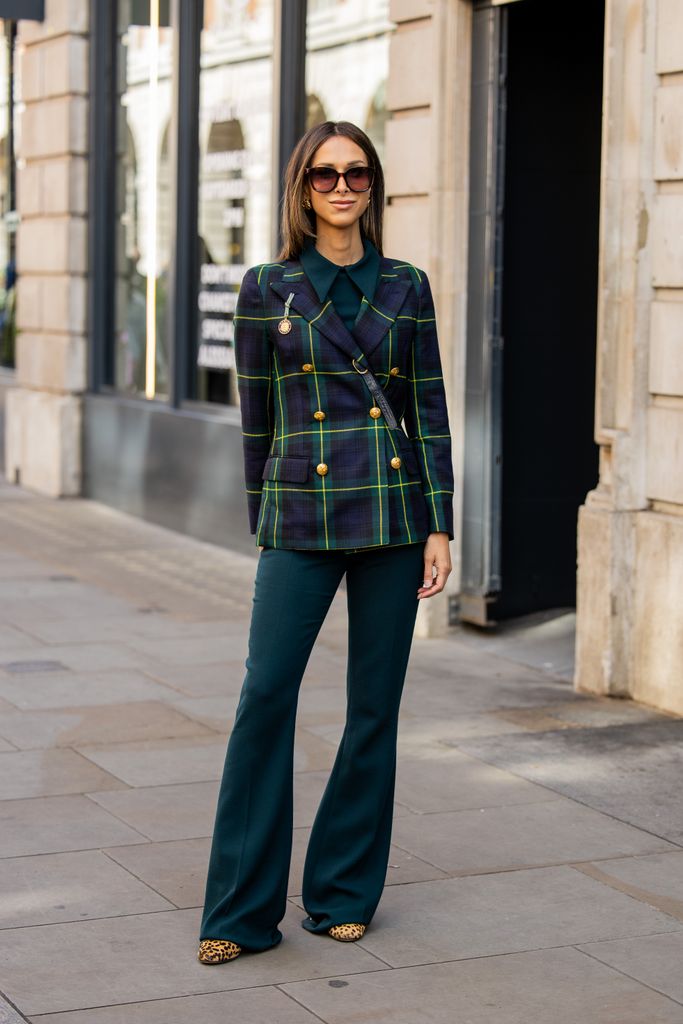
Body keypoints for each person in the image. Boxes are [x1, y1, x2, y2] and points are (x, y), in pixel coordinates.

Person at [197, 120, 454, 964]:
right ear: (301, 189)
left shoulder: (407, 285)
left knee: (372, 710)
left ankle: (343, 891)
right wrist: (263, 521)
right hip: (300, 521)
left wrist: (439, 522)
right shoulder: (265, 286)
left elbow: (429, 415)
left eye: (356, 173)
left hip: (389, 515)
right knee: (264, 697)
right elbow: (254, 421)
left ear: (372, 186)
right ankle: (239, 912)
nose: (341, 187)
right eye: (324, 175)